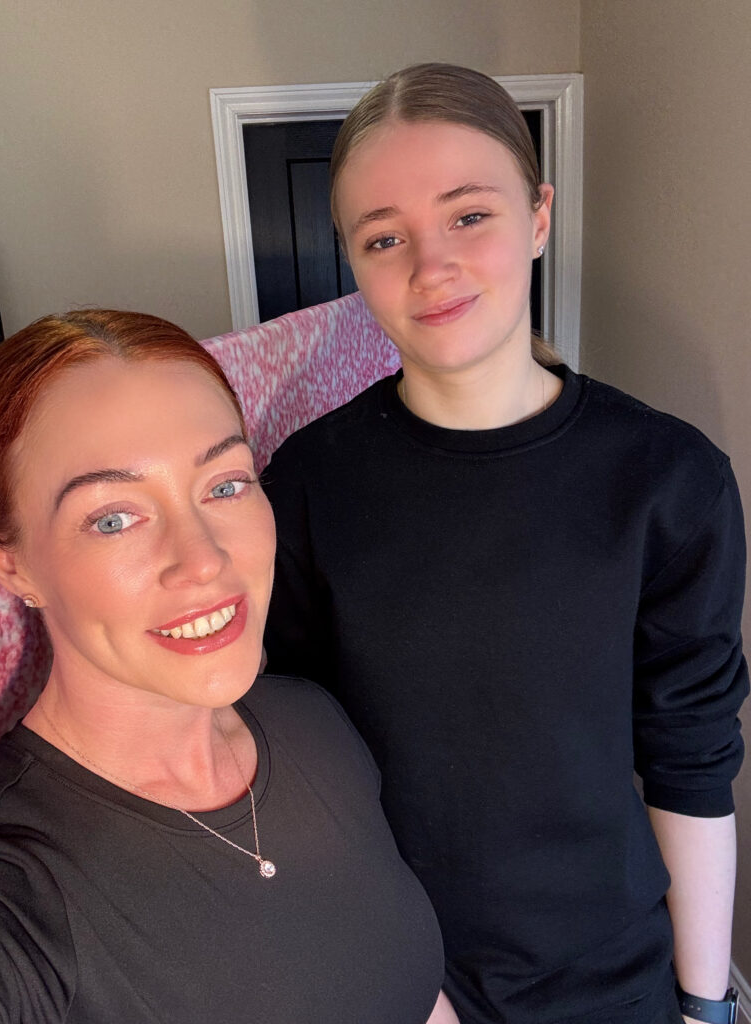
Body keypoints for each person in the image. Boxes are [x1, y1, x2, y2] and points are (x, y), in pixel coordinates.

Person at [262, 63, 748, 1024]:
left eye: (469, 215)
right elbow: (289, 753)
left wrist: (706, 1006)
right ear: (352, 260)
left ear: (538, 217)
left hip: (614, 980)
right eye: (384, 237)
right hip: (396, 974)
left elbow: (691, 758)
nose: (429, 266)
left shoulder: (668, 479)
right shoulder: (309, 483)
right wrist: (390, 972)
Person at [0, 309, 458, 1024]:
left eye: (225, 484)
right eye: (113, 518)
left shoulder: (311, 721)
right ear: (10, 562)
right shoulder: (15, 887)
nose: (204, 560)